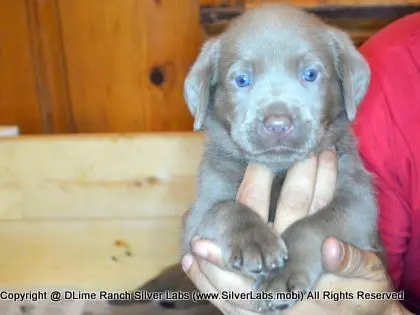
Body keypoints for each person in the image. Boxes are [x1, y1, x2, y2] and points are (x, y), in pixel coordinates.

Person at [180, 11, 420, 315]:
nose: (277, 118)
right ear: (208, 91)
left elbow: (358, 218)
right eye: (242, 79)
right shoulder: (221, 163)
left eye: (310, 75)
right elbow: (199, 231)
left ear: (344, 83)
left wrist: (305, 246)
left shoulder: (341, 156)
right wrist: (232, 224)